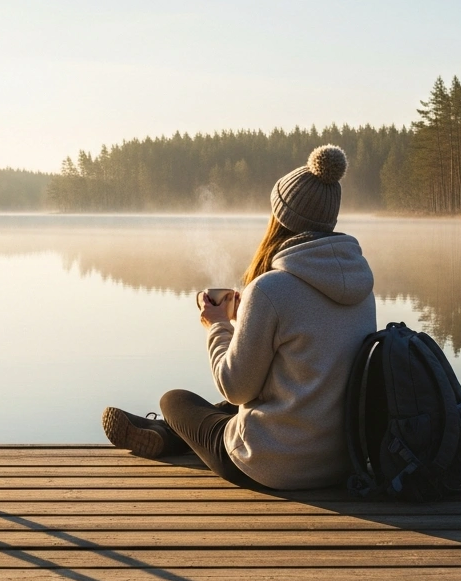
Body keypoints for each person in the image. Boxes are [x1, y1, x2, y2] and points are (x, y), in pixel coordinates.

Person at [101, 145, 376, 489]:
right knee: (222, 410)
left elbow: (236, 389)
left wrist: (217, 325)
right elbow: (308, 362)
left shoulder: (271, 290)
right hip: (341, 462)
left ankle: (166, 433)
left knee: (175, 400)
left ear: (281, 219)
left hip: (271, 465)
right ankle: (161, 434)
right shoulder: (362, 288)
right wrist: (249, 315)